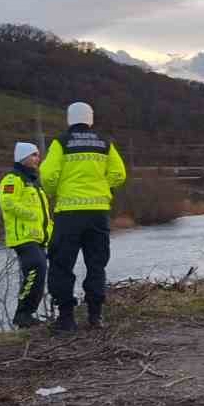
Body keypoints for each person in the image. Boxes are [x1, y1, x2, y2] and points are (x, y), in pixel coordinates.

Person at [39, 102, 127, 332]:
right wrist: (101, 188)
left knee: (62, 265)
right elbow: (119, 174)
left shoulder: (62, 142)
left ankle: (66, 318)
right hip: (98, 213)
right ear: (91, 119)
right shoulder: (104, 143)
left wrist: (56, 192)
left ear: (69, 119)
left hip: (68, 213)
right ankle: (95, 317)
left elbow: (48, 175)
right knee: (96, 264)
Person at [0, 141, 52, 328]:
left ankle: (27, 315)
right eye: (34, 155)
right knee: (36, 269)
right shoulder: (13, 179)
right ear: (23, 157)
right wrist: (30, 215)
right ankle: (23, 314)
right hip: (23, 237)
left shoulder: (34, 182)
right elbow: (7, 202)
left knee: (40, 271)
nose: (38, 158)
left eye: (38, 154)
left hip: (38, 238)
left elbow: (45, 214)